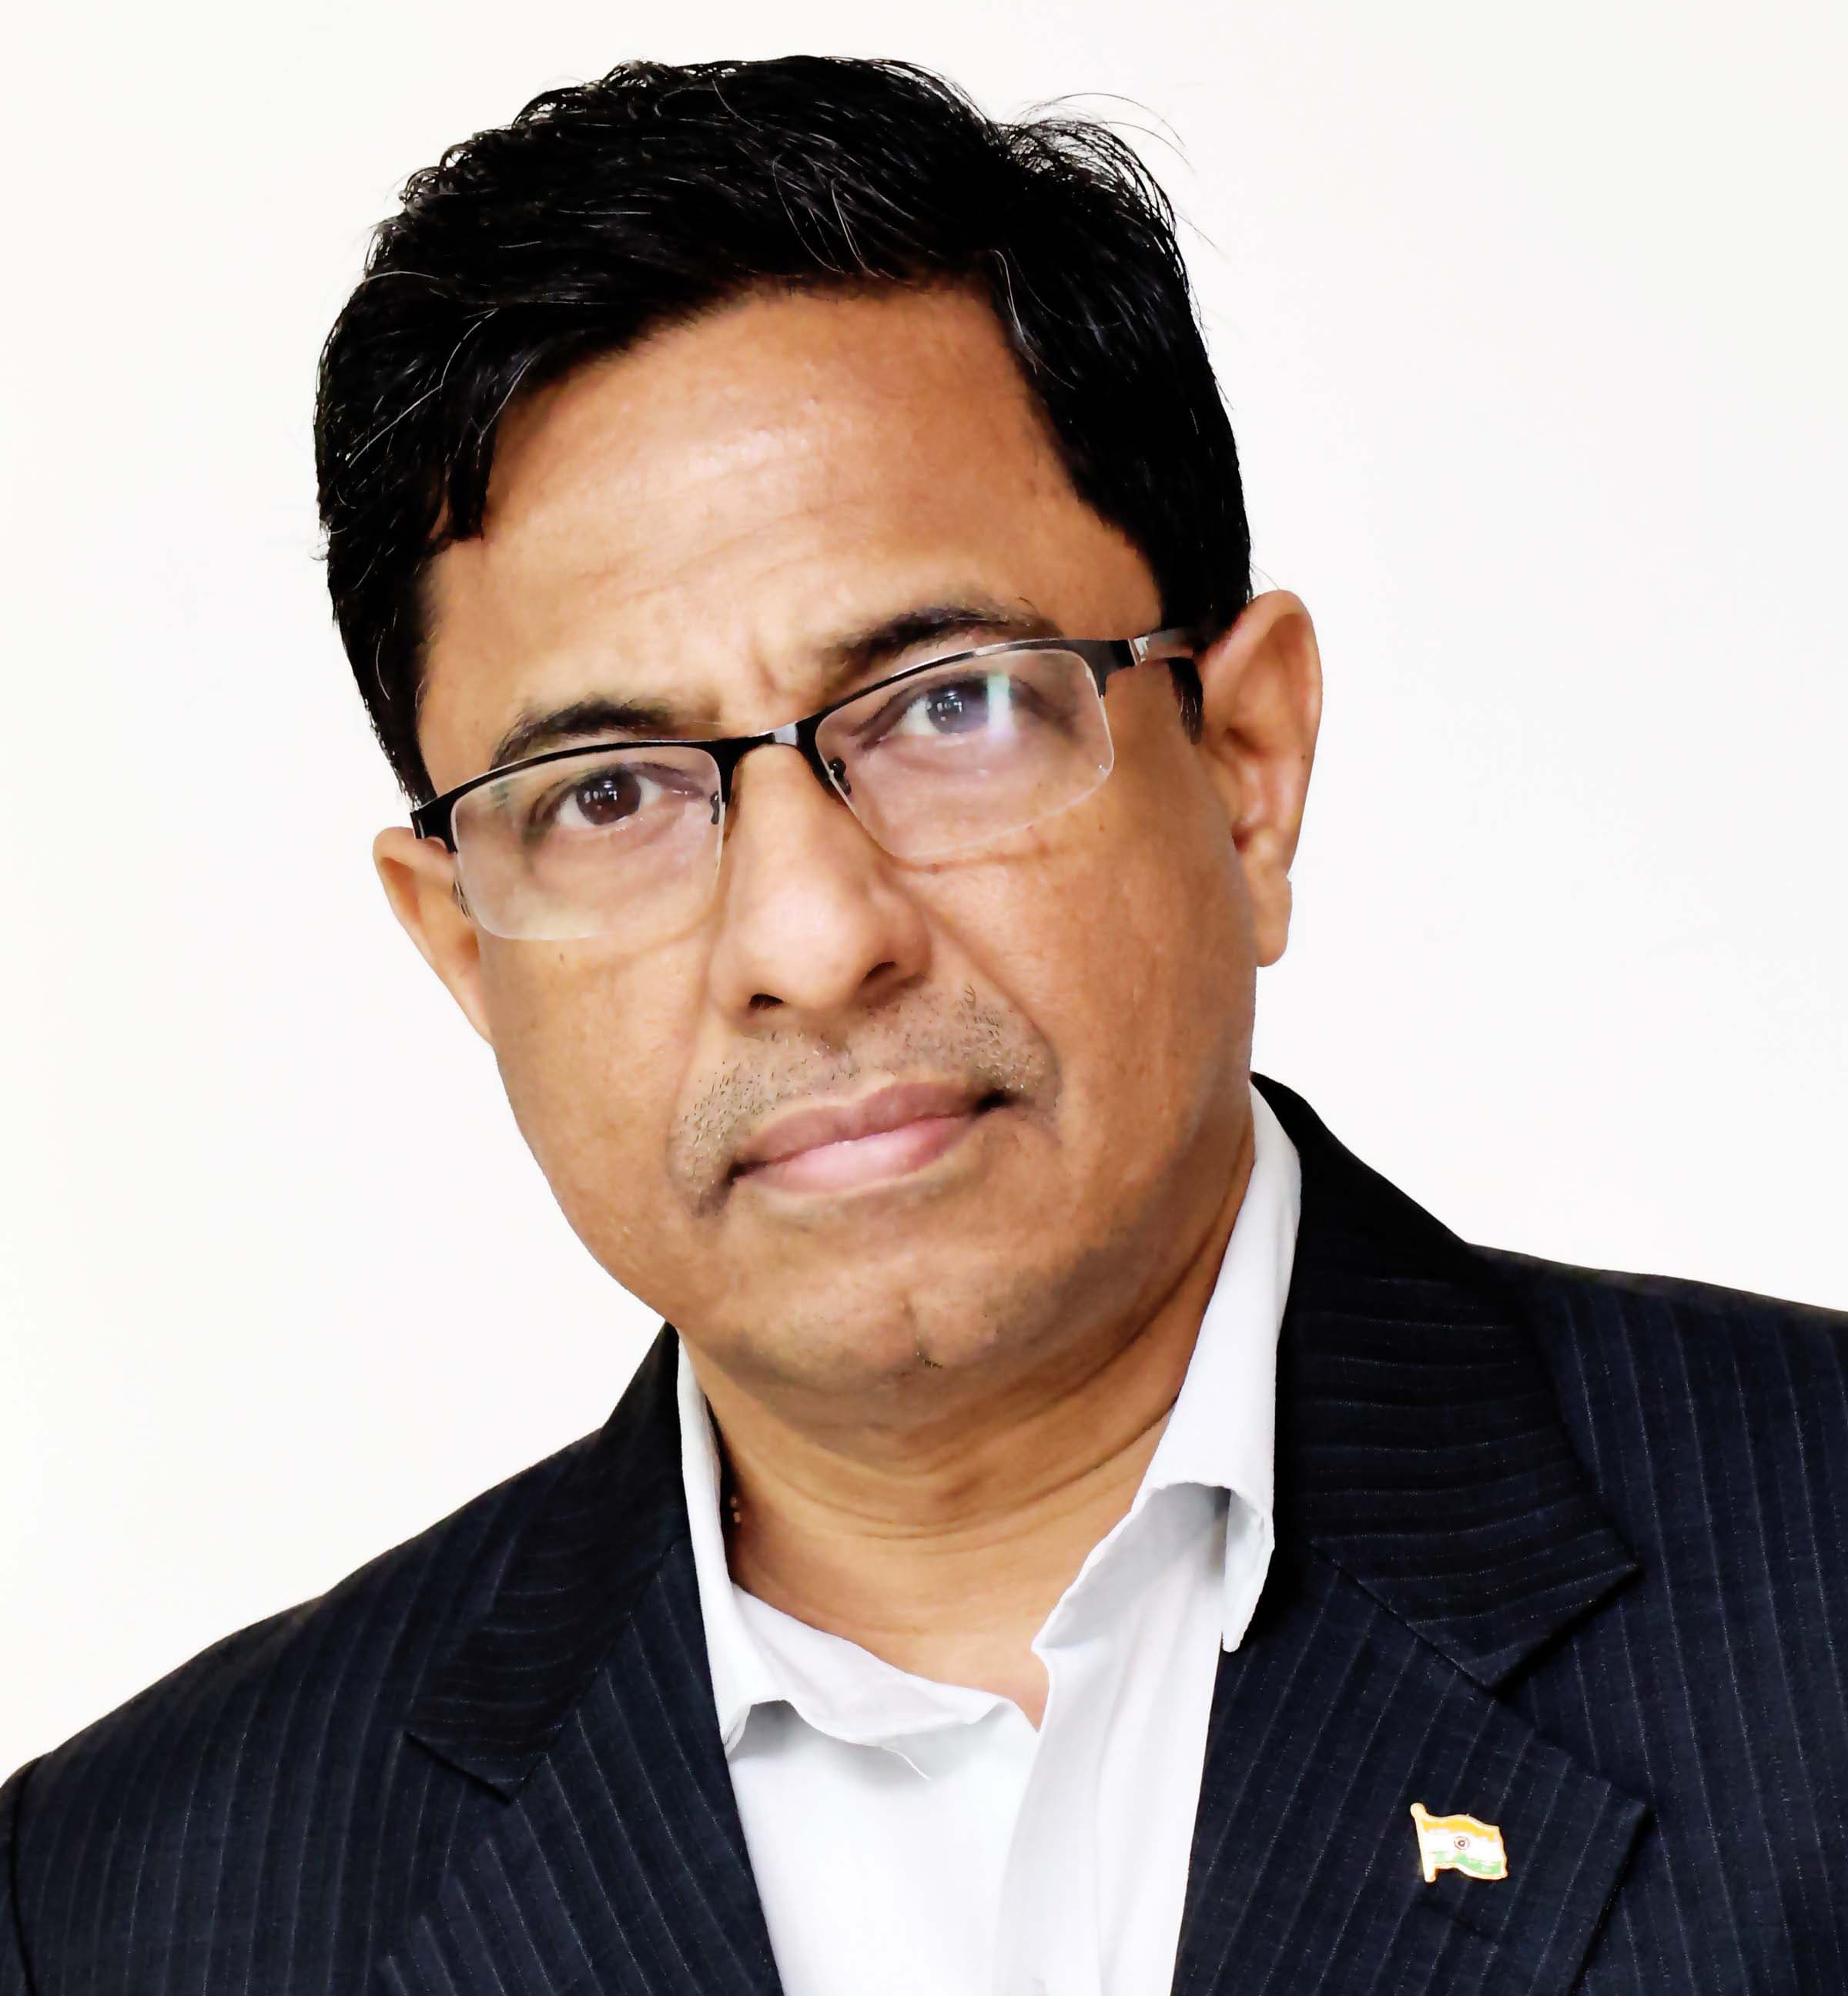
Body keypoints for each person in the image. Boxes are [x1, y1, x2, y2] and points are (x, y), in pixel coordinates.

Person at [3, 52, 1844, 1996]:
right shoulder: (126, 1914)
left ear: (1245, 766)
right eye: (608, 794)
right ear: (466, 946)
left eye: (951, 705)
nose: (811, 941)